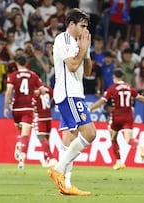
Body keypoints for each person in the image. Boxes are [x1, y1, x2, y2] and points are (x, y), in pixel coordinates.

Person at [48, 8, 95, 196]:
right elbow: (73, 65)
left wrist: (87, 51)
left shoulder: (79, 41)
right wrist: (82, 49)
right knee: (90, 133)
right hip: (69, 93)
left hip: (77, 92)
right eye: (82, 26)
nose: (85, 30)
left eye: (87, 26)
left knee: (71, 136)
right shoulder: (63, 39)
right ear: (71, 24)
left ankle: (66, 185)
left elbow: (88, 71)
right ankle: (57, 170)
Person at [89, 69, 144, 170]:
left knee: (113, 138)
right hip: (128, 117)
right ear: (123, 77)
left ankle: (119, 162)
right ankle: (138, 145)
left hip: (116, 117)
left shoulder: (112, 88)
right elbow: (140, 98)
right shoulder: (129, 87)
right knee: (129, 140)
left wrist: (90, 108)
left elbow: (102, 101)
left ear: (114, 77)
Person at [3, 54, 45, 169]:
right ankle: (22, 157)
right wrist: (37, 92)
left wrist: (6, 107)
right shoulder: (33, 75)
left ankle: (18, 143)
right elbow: (43, 90)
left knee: (19, 130)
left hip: (16, 108)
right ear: (26, 63)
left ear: (17, 63)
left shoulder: (12, 76)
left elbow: (8, 92)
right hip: (28, 107)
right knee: (25, 134)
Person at [33, 84, 57, 168]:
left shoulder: (33, 89)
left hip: (39, 116)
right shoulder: (47, 87)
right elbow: (56, 98)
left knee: (41, 138)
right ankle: (45, 159)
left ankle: (51, 158)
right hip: (48, 116)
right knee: (46, 138)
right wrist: (50, 107)